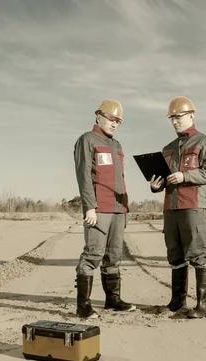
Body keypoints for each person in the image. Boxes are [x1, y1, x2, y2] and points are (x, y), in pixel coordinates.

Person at [149, 96, 206, 319]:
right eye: (172, 118)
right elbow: (164, 179)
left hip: (193, 207)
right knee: (175, 255)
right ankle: (177, 301)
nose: (175, 122)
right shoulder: (167, 149)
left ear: (191, 116)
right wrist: (155, 186)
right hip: (171, 208)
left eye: (179, 117)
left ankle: (202, 305)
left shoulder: (205, 143)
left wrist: (185, 176)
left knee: (198, 253)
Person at [73, 99, 135, 319]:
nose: (114, 124)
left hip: (119, 208)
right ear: (98, 115)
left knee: (114, 255)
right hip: (99, 209)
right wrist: (89, 207)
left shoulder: (116, 145)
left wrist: (125, 207)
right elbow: (83, 177)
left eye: (118, 121)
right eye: (111, 119)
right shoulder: (87, 140)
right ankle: (83, 305)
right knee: (93, 254)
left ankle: (113, 300)